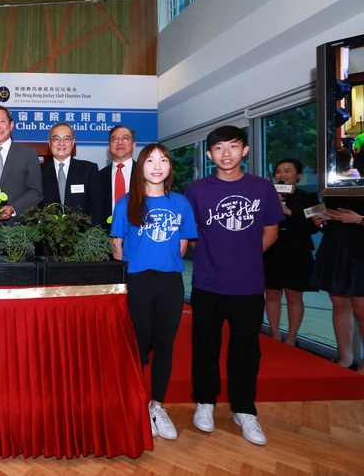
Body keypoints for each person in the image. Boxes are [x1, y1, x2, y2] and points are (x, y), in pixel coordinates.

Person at [185, 125, 283, 446]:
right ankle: (205, 402)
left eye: (232, 146)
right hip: (208, 282)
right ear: (210, 154)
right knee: (205, 346)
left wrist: (245, 256)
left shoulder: (262, 187)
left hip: (248, 283)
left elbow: (271, 230)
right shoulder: (197, 190)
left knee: (246, 349)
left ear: (245, 150)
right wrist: (216, 254)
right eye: (219, 148)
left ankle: (244, 409)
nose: (226, 153)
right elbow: (191, 232)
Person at [110, 143, 197, 441]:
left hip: (170, 282)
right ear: (141, 166)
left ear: (170, 167)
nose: (157, 166)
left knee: (164, 346)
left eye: (163, 160)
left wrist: (164, 263)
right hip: (138, 281)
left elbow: (182, 245)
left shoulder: (181, 203)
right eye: (150, 161)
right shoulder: (126, 203)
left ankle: (157, 405)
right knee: (138, 347)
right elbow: (117, 245)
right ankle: (136, 405)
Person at [263, 158, 320, 345]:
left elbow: (313, 228)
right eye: (278, 172)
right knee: (272, 294)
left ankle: (292, 336)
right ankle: (275, 334)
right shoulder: (267, 196)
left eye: (287, 171)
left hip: (297, 251)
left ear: (299, 176)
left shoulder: (309, 198)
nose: (282, 175)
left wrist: (288, 211)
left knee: (294, 295)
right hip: (272, 250)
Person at [309, 197, 364, 374]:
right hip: (337, 248)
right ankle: (345, 357)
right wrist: (321, 222)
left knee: (361, 309)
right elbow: (328, 216)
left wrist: (359, 219)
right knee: (339, 305)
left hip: (360, 250)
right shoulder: (335, 182)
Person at [40, 122, 104, 226]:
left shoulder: (88, 169)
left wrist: (92, 236)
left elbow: (97, 207)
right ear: (49, 143)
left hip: (82, 236)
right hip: (47, 236)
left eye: (66, 139)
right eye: (56, 139)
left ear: (73, 142)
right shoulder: (38, 171)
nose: (61, 143)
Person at [98, 125, 137, 231]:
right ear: (109, 146)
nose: (120, 142)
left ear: (133, 145)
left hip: (140, 235)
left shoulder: (145, 173)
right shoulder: (98, 176)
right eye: (115, 139)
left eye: (125, 138)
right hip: (107, 236)